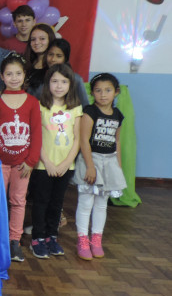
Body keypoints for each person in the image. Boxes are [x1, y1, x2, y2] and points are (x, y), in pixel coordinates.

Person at [0, 54, 42, 263]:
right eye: (9, 74)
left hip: (22, 164)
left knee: (18, 201)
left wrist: (31, 161)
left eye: (18, 73)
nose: (14, 78)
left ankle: (14, 240)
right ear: (2, 76)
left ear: (24, 75)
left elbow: (36, 133)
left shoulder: (32, 102)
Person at [29, 63, 82, 259]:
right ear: (47, 83)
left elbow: (77, 139)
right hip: (44, 165)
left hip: (66, 166)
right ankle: (38, 238)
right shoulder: (40, 106)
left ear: (71, 84)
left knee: (56, 203)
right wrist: (48, 163)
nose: (59, 86)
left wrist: (66, 164)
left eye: (64, 82)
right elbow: (36, 138)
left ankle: (52, 236)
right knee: (41, 202)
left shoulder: (75, 108)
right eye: (54, 81)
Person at [72, 73, 126, 260]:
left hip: (109, 162)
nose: (103, 94)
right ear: (92, 92)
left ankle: (96, 239)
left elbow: (116, 141)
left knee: (102, 204)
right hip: (91, 159)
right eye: (98, 90)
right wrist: (90, 166)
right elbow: (84, 140)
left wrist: (118, 167)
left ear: (116, 92)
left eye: (108, 90)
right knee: (86, 202)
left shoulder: (118, 115)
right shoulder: (90, 112)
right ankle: (82, 239)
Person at [43, 39, 89, 107]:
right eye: (50, 54)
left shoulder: (76, 79)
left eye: (59, 56)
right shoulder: (38, 78)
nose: (53, 59)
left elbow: (85, 106)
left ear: (65, 58)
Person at [24, 24, 56, 98]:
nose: (36, 42)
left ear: (50, 40)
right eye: (33, 39)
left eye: (42, 39)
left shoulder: (56, 66)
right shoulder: (24, 64)